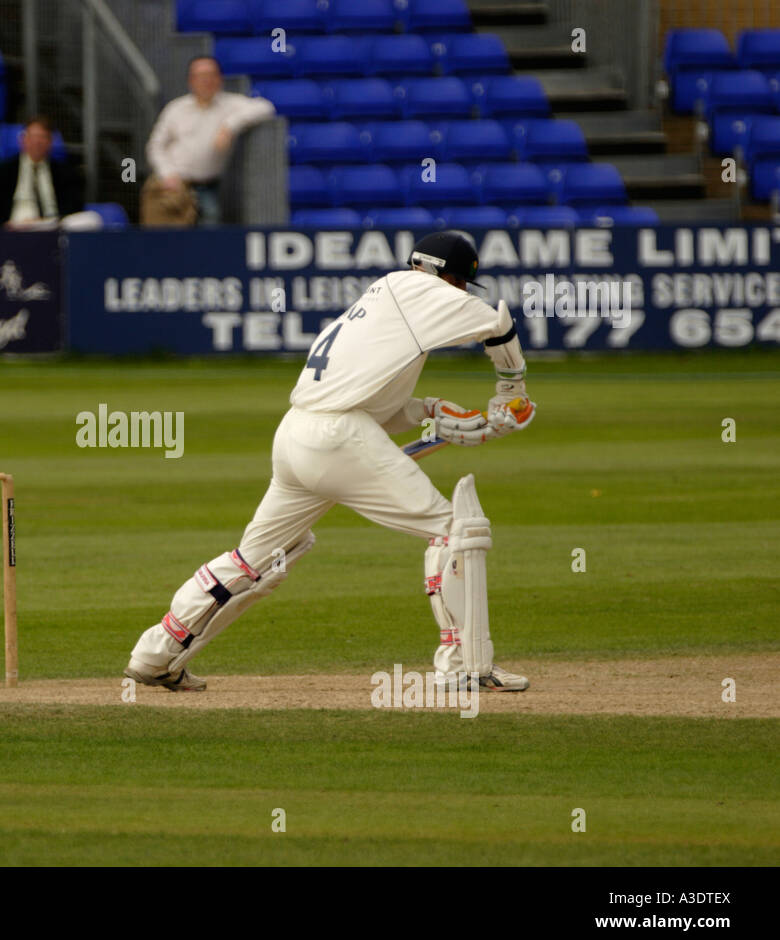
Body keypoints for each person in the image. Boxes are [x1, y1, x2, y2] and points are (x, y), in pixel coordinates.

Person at [123, 232, 537, 693]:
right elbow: (498, 324)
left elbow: (373, 402)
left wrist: (431, 410)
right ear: (444, 274)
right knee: (454, 530)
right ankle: (463, 666)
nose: (459, 293)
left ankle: (155, 653)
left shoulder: (379, 304)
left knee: (253, 560)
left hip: (297, 434)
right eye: (460, 281)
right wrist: (512, 393)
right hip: (338, 436)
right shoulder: (420, 288)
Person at [142, 55, 275, 226]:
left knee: (209, 231)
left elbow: (265, 107)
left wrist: (230, 126)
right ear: (191, 81)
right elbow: (155, 146)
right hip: (174, 186)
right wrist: (167, 173)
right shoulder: (176, 109)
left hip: (208, 186)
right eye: (201, 76)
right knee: (167, 239)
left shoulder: (230, 104)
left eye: (211, 75)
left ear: (219, 79)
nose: (206, 81)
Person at [0, 115, 84, 228]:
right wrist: (3, 227)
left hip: (53, 229)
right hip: (16, 229)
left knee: (92, 218)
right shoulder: (3, 170)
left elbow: (74, 206)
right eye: (33, 137)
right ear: (23, 140)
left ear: (50, 142)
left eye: (42, 137)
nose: (37, 142)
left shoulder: (65, 172)